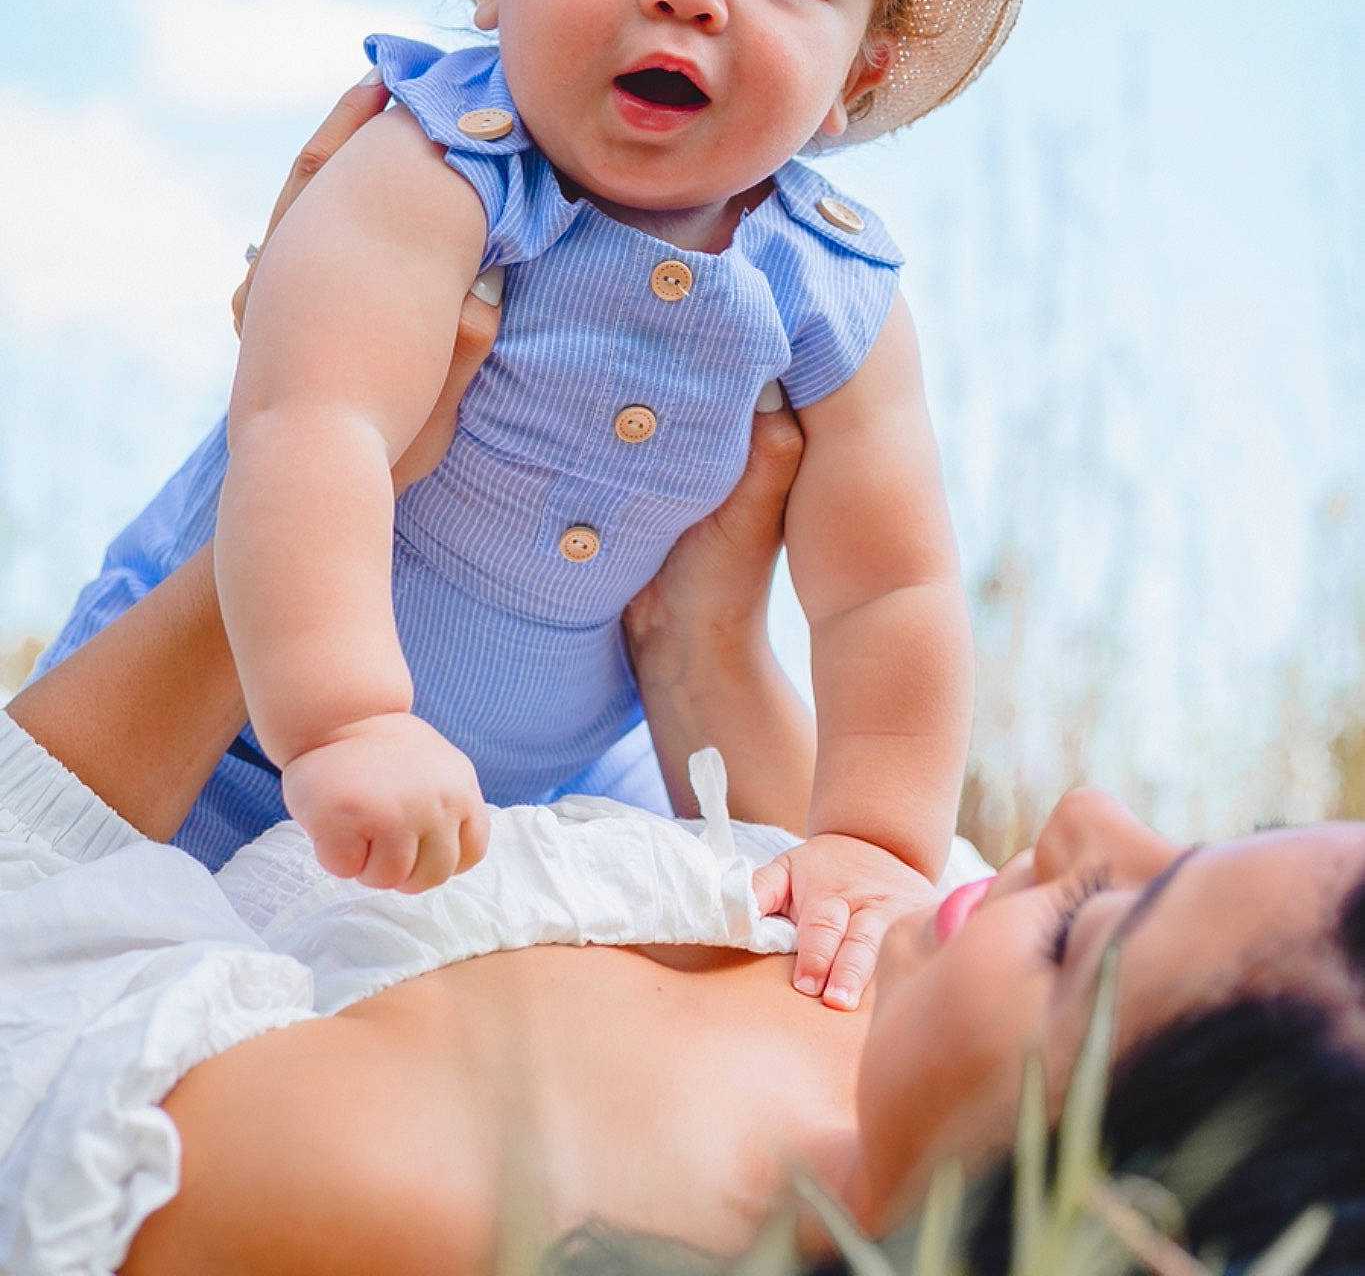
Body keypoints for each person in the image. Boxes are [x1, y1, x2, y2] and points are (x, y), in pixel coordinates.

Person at [34, 0, 1039, 1009]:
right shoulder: (439, 162)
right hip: (247, 725)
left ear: (855, 77)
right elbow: (312, 430)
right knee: (127, 961)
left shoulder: (832, 282)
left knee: (811, 926)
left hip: (557, 776)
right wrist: (347, 721)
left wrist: (871, 837)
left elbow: (890, 587)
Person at [5, 409, 1365, 1276]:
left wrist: (314, 492)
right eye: (1197, 846)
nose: (1081, 817)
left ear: (1113, 1230)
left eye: (1085, 935)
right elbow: (792, 858)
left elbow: (35, 945)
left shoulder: (429, 1205)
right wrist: (703, 638)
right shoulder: (945, 1001)